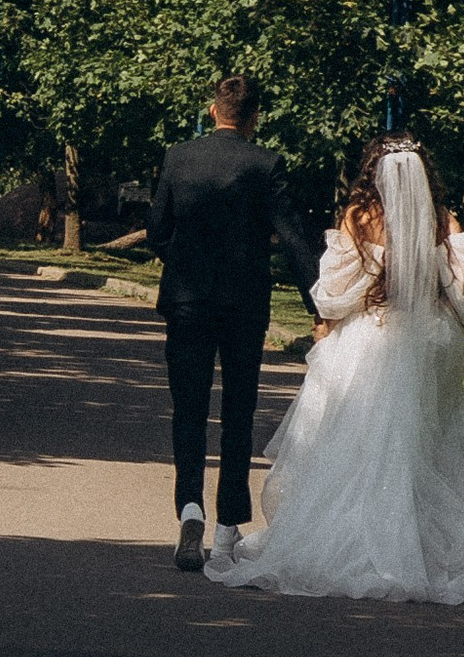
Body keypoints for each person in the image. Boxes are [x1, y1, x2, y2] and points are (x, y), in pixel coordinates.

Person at [207, 131, 464, 604]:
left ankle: (346, 544)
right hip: (426, 343)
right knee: (418, 447)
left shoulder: (360, 217)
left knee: (351, 445)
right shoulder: (442, 220)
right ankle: (417, 553)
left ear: (374, 172)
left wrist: (331, 317)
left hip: (369, 338)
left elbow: (334, 288)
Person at [110, 78, 321, 571]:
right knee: (238, 413)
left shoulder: (179, 158)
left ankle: (189, 510)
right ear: (255, 118)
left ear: (212, 110)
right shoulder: (266, 164)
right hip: (244, 304)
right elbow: (294, 239)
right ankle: (229, 527)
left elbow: (158, 230)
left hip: (187, 300)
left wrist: (184, 262)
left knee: (188, 410)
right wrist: (319, 303)